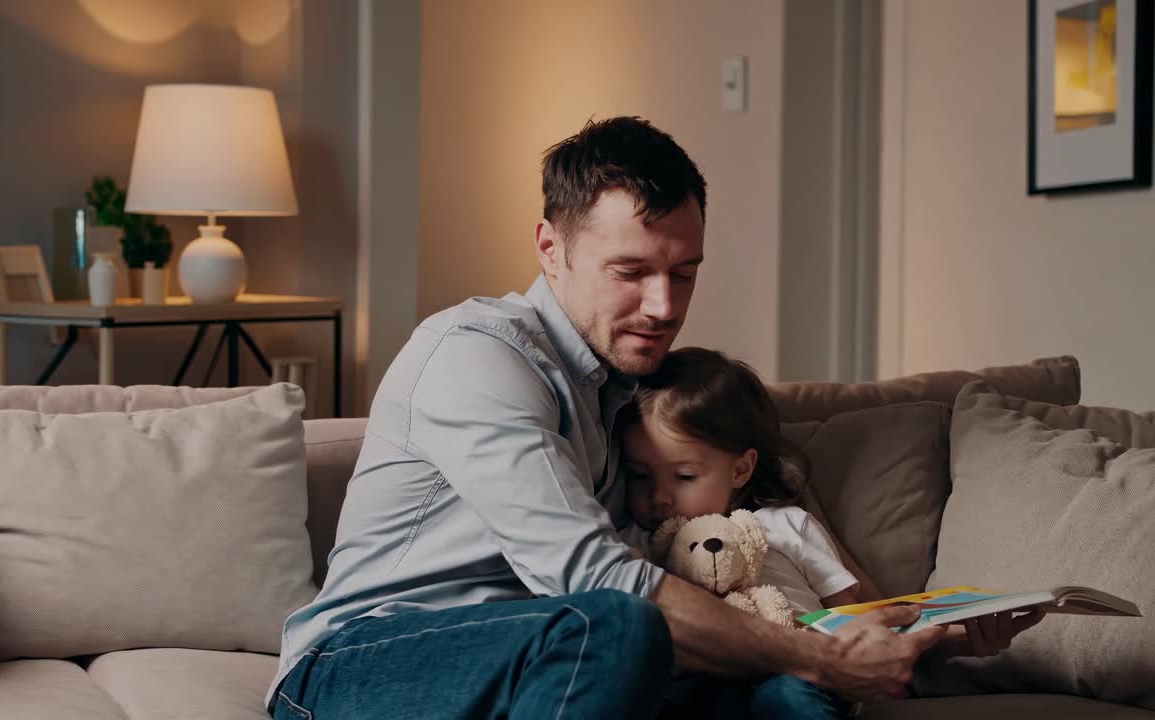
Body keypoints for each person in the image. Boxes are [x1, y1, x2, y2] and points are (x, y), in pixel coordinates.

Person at [266, 116, 1018, 720]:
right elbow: (594, 578)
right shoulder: (476, 357)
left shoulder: (634, 396)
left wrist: (921, 638)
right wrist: (823, 656)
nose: (664, 307)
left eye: (683, 272)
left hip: (559, 668)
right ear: (549, 248)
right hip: (362, 663)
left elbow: (697, 557)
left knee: (777, 690)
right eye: (631, 272)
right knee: (618, 624)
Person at [620, 347, 1047, 719]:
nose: (659, 497)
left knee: (787, 697)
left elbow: (858, 612)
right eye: (639, 476)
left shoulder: (785, 525)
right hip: (707, 683)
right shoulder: (643, 547)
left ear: (741, 468)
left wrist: (955, 635)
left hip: (802, 676)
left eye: (685, 476)